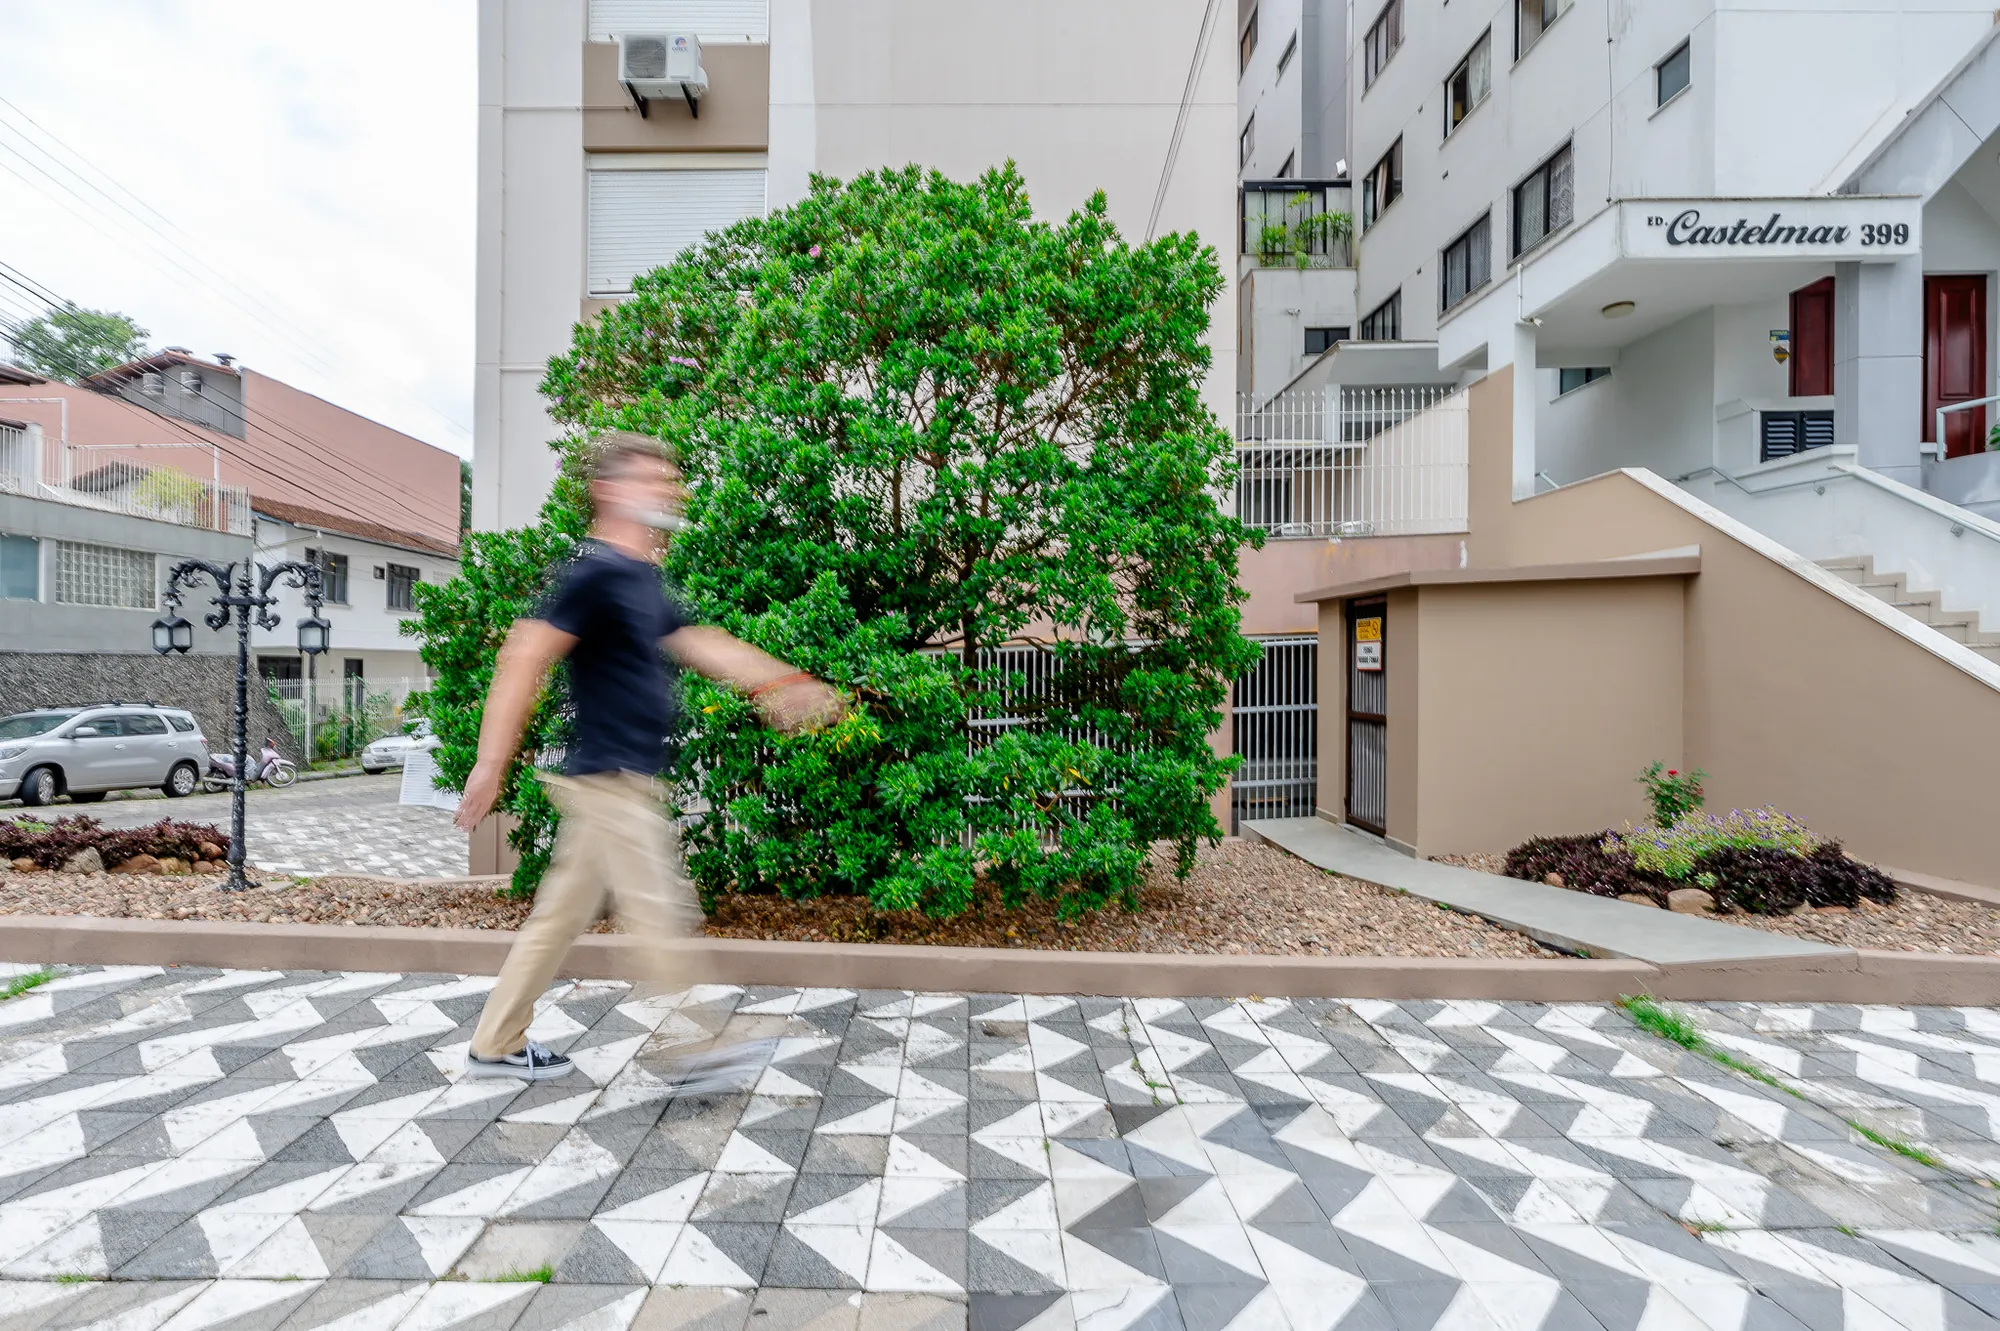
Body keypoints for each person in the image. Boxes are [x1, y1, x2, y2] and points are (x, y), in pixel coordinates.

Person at [452, 432, 841, 1080]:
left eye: (668, 480)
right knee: (661, 908)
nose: (666, 490)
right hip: (611, 777)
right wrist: (491, 764)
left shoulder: (638, 577)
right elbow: (525, 653)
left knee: (557, 919)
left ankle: (495, 1042)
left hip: (620, 777)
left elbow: (700, 641)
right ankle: (696, 1047)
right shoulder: (595, 571)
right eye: (651, 480)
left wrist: (780, 682)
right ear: (609, 491)